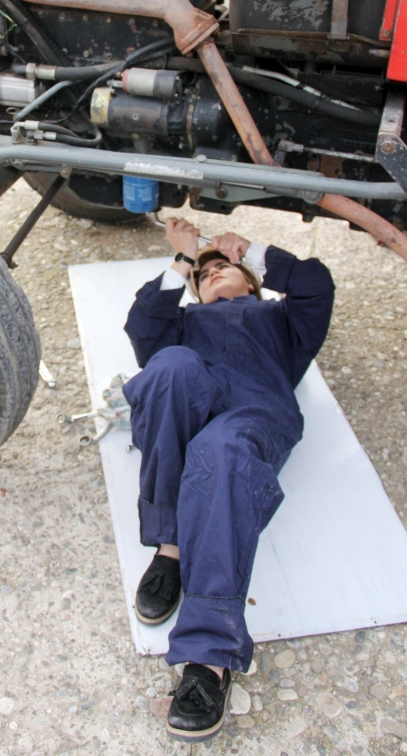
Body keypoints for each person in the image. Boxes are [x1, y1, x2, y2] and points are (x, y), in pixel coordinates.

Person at [122, 218, 335, 743]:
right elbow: (143, 330)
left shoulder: (281, 320)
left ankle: (208, 656)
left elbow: (316, 283)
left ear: (253, 283)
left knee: (222, 451)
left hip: (254, 412)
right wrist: (185, 257)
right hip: (195, 391)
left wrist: (253, 249)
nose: (214, 273)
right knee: (168, 367)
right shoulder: (183, 325)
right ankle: (170, 548)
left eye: (226, 268)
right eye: (205, 274)